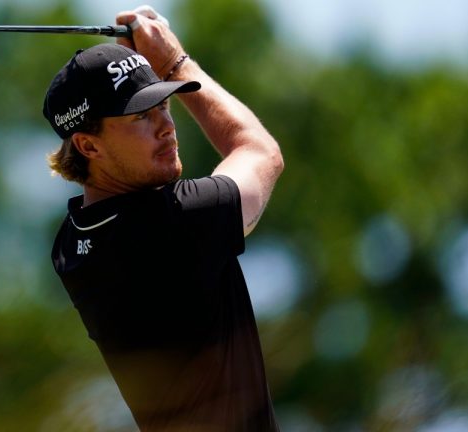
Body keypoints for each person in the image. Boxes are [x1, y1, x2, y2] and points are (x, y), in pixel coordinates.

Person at [43, 5, 284, 431]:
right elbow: (260, 152)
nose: (166, 127)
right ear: (88, 146)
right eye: (141, 116)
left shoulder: (71, 242)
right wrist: (173, 61)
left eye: (164, 105)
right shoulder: (173, 221)